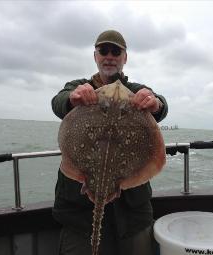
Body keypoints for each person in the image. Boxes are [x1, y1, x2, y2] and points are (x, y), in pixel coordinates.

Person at [51, 30, 168, 255]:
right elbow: (59, 101)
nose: (109, 56)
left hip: (132, 214)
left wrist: (156, 104)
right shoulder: (80, 87)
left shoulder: (135, 92)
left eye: (116, 51)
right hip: (80, 215)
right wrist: (73, 98)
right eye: (103, 50)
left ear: (125, 58)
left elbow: (159, 103)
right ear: (95, 56)